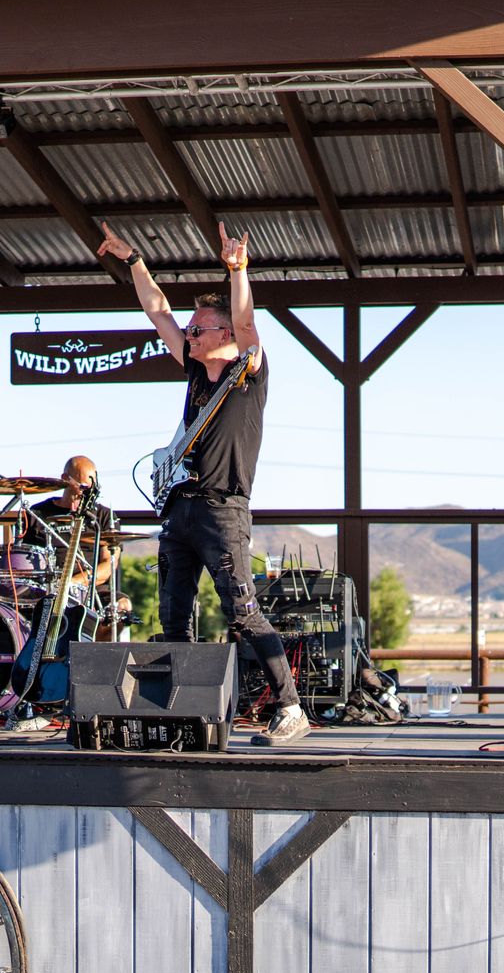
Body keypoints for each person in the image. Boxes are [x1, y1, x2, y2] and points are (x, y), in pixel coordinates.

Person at [97, 221, 309, 745]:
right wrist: (134, 261)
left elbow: (247, 321)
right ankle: (183, 713)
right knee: (174, 616)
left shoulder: (248, 372)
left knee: (242, 610)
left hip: (223, 509)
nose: (189, 335)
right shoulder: (194, 373)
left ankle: (290, 707)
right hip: (181, 509)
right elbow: (157, 311)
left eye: (198, 330)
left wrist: (237, 270)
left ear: (225, 337)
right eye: (189, 331)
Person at [16, 455, 116, 590]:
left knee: (123, 602)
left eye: (91, 489)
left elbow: (109, 564)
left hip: (92, 588)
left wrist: (72, 583)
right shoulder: (36, 513)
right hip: (47, 587)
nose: (86, 493)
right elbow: (21, 561)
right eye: (82, 486)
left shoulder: (104, 515)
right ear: (65, 479)